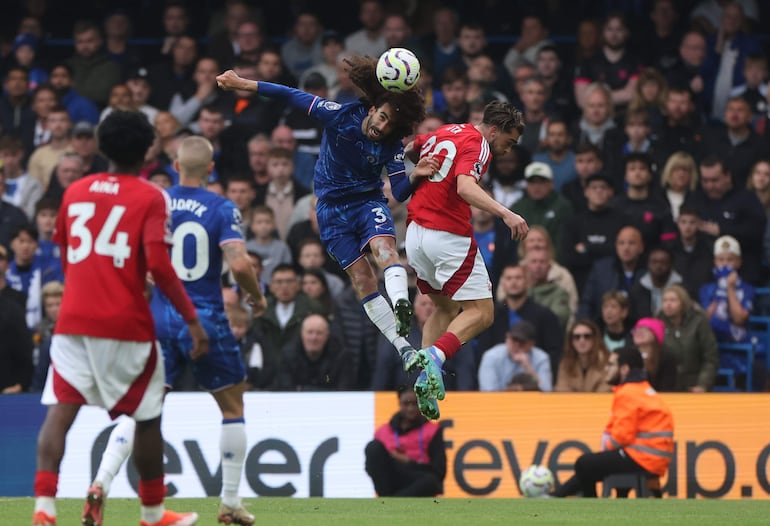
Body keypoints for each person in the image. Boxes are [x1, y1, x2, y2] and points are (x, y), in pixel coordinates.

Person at [33, 111, 207, 526]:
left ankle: (44, 508)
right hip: (125, 323)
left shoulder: (74, 191)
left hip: (72, 320)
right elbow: (160, 267)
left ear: (102, 145)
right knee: (147, 418)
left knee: (60, 411)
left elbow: (65, 253)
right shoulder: (150, 197)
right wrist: (192, 320)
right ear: (147, 148)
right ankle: (152, 513)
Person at [89, 135, 267, 524]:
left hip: (158, 317)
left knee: (143, 409)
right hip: (204, 317)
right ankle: (230, 502)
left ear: (174, 164)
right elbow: (237, 265)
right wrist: (255, 296)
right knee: (232, 407)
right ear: (211, 169)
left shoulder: (156, 202)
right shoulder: (222, 206)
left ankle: (100, 482)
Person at [216, 58, 435, 374]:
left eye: (390, 124)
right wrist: (242, 83)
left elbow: (398, 191)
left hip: (366, 203)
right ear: (373, 109)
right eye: (382, 118)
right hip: (331, 211)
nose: (382, 128)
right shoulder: (339, 115)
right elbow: (290, 94)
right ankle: (403, 348)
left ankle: (401, 301)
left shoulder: (392, 144)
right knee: (362, 279)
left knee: (384, 250)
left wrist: (417, 175)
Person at [391, 99, 528, 419]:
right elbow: (465, 187)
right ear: (495, 131)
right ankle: (436, 357)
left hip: (414, 236)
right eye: (509, 141)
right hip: (446, 234)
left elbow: (411, 148)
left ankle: (424, 378)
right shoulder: (479, 145)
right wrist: (506, 214)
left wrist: (419, 169)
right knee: (482, 312)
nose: (509, 149)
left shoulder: (447, 131)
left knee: (445, 307)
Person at [553, 346, 674, 498]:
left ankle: (587, 506)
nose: (606, 369)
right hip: (654, 460)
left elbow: (622, 435)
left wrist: (607, 448)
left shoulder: (628, 392)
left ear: (624, 369)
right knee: (595, 466)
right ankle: (556, 495)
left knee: (584, 463)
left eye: (611, 365)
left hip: (641, 458)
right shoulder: (645, 390)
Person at [364, 388, 446, 497]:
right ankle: (388, 499)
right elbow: (371, 466)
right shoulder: (383, 431)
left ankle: (390, 503)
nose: (410, 409)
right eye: (406, 404)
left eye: (415, 404)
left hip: (417, 477)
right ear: (399, 403)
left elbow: (439, 471)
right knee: (373, 447)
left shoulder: (432, 430)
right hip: (391, 478)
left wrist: (409, 462)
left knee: (432, 481)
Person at [658, 284, 718, 392]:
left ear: (683, 303)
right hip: (666, 386)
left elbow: (710, 358)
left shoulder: (699, 322)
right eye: (665, 300)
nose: (668, 304)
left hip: (693, 384)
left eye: (673, 300)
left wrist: (703, 385)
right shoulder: (657, 322)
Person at [478, 320, 553, 392]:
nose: (517, 345)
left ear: (531, 344)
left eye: (522, 342)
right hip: (499, 403)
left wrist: (528, 368)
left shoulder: (541, 358)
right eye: (514, 340)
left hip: (531, 403)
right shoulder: (491, 356)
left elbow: (546, 391)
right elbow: (488, 391)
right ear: (507, 338)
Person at [555, 320, 612, 393]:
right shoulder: (565, 363)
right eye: (577, 337)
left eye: (587, 336)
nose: (582, 340)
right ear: (571, 341)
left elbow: (606, 389)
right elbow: (562, 389)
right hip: (573, 403)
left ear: (595, 339)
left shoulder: (607, 361)